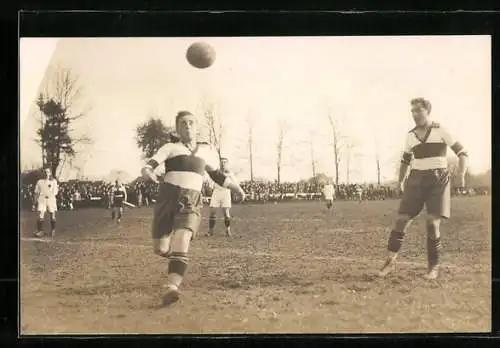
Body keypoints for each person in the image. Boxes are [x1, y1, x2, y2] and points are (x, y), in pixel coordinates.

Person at [141, 111, 246, 305]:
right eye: (183, 123)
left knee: (182, 236)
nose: (187, 126)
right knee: (161, 248)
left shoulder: (205, 152)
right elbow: (151, 164)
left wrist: (237, 188)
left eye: (191, 123)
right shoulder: (170, 147)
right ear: (177, 129)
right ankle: (176, 255)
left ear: (196, 128)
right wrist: (147, 171)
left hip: (191, 199)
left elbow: (217, 176)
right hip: (167, 198)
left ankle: (172, 286)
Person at [378, 98, 468, 280]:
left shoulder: (440, 129)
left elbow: (462, 153)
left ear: (427, 111)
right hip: (416, 179)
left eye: (418, 110)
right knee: (401, 220)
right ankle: (390, 261)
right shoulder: (410, 135)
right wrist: (400, 181)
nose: (414, 114)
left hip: (438, 180)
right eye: (412, 111)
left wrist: (462, 174)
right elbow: (405, 160)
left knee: (432, 223)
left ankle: (433, 267)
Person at [207, 157, 236, 237]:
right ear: (219, 163)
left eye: (224, 162)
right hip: (216, 192)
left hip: (226, 193)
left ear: (227, 164)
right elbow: (211, 182)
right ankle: (210, 231)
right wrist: (210, 188)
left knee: (226, 213)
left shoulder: (230, 174)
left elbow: (234, 184)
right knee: (212, 212)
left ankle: (228, 230)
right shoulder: (216, 172)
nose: (223, 164)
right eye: (221, 162)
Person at [33, 167, 59, 238]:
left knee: (52, 215)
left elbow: (55, 192)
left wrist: (50, 193)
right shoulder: (39, 181)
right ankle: (40, 231)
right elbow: (36, 192)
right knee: (40, 215)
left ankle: (53, 230)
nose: (46, 173)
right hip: (42, 199)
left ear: (50, 173)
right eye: (45, 172)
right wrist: (34, 202)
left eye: (47, 172)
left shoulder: (54, 181)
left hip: (51, 199)